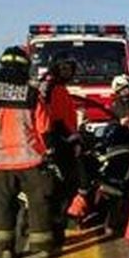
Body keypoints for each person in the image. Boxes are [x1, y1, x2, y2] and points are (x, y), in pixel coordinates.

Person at [0, 46, 55, 258]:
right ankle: (42, 246)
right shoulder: (32, 96)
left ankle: (6, 248)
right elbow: (44, 128)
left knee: (4, 203)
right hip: (29, 159)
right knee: (38, 202)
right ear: (25, 68)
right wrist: (51, 153)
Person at [39, 55, 81, 231]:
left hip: (58, 139)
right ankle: (59, 222)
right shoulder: (52, 87)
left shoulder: (57, 87)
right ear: (55, 68)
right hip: (57, 141)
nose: (68, 72)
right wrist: (73, 139)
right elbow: (54, 119)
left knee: (64, 183)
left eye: (70, 69)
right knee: (67, 183)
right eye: (63, 68)